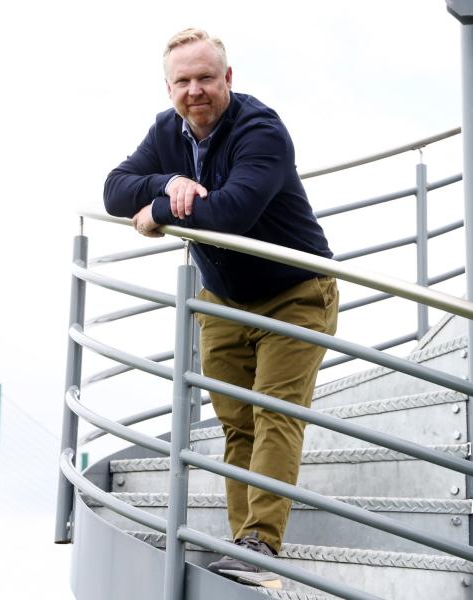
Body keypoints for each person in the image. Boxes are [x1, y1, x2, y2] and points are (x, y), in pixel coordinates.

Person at [103, 27, 338, 589]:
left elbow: (231, 213)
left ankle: (261, 546)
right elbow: (115, 190)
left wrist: (157, 209)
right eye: (182, 81)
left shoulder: (261, 130)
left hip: (296, 294)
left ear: (227, 79)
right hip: (222, 300)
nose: (195, 91)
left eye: (206, 78)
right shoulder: (168, 131)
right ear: (168, 89)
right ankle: (244, 548)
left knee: (274, 413)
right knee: (236, 425)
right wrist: (170, 183)